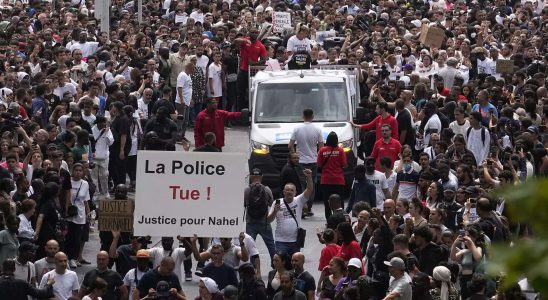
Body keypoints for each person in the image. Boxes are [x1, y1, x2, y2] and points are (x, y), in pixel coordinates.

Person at [268, 169, 313, 256]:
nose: (289, 192)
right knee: (282, 265)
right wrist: (274, 211)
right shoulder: (277, 202)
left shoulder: (299, 200)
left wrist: (309, 177)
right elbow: (269, 220)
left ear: (295, 192)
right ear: (283, 192)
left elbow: (309, 189)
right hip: (281, 241)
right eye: (287, 190)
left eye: (292, 190)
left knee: (294, 265)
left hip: (295, 241)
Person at [288, 109, 324, 215]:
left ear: (303, 116)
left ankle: (302, 207)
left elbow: (290, 145)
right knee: (311, 184)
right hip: (313, 161)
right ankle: (309, 208)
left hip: (301, 161)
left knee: (301, 184)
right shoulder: (318, 130)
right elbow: (321, 147)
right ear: (313, 116)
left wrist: (295, 155)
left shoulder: (297, 128)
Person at [244, 168, 276, 260]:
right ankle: (275, 266)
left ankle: (253, 267)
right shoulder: (266, 189)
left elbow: (244, 204)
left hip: (250, 222)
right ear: (261, 177)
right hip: (264, 222)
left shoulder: (247, 190)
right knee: (270, 245)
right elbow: (272, 204)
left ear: (251, 177)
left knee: (250, 246)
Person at [66, 163, 91, 268]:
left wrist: (88, 212)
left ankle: (74, 258)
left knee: (77, 238)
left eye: (80, 170)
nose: (78, 172)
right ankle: (67, 257)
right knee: (68, 237)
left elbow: (85, 200)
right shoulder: (68, 182)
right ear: (73, 171)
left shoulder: (85, 183)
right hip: (69, 213)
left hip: (80, 214)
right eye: (76, 170)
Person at [317, 131, 347, 219]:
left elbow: (319, 164)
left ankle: (329, 220)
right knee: (340, 201)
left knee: (327, 202)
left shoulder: (322, 150)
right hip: (338, 180)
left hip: (326, 180)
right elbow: (344, 164)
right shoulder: (340, 150)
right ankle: (341, 218)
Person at [108, 101, 131, 187]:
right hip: (114, 146)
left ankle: (121, 186)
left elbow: (123, 135)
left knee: (120, 167)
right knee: (113, 166)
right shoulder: (117, 117)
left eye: (113, 107)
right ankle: (116, 185)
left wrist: (122, 150)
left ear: (116, 108)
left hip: (121, 146)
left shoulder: (123, 119)